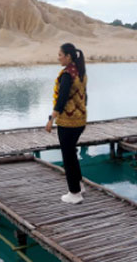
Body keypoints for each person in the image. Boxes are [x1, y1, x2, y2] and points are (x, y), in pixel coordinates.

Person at [45, 43, 88, 204]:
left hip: (68, 123)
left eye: (60, 55)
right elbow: (85, 96)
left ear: (68, 56)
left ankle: (74, 194)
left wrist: (51, 120)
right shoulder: (80, 71)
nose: (58, 58)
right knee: (72, 153)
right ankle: (79, 185)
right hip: (80, 120)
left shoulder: (67, 75)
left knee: (68, 156)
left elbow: (61, 100)